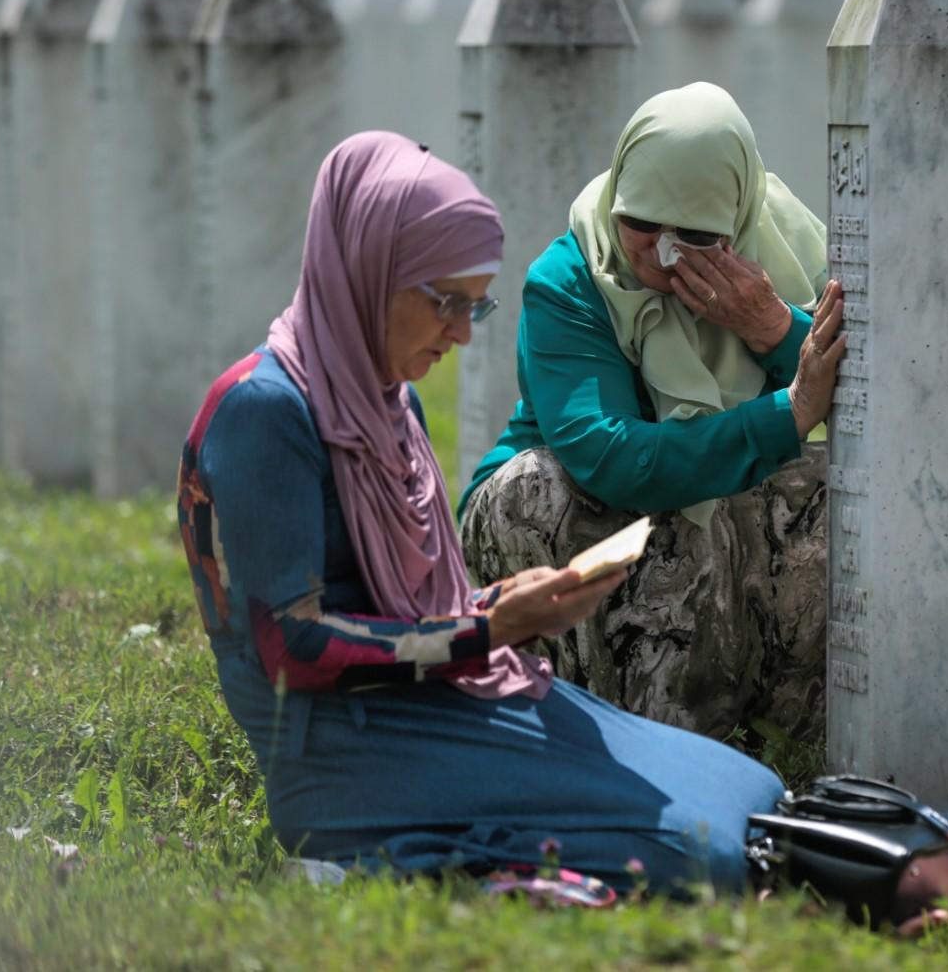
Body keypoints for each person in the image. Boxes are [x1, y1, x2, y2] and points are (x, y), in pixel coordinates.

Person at [176, 131, 784, 891]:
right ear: (367, 274)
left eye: (476, 306)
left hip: (441, 694)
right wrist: (486, 629)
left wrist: (504, 607)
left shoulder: (384, 404)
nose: (461, 334)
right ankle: (377, 854)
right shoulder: (266, 412)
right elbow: (287, 650)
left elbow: (405, 604)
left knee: (746, 788)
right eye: (444, 304)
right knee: (704, 855)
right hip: (341, 752)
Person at [457, 83, 847, 739]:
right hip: (585, 522)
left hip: (721, 519)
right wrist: (784, 413)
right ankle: (594, 727)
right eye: (640, 223)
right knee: (535, 488)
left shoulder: (787, 257)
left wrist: (774, 330)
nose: (663, 252)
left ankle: (771, 718)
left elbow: (877, 405)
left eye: (693, 232)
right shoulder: (571, 277)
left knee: (835, 491)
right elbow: (608, 456)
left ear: (739, 213)